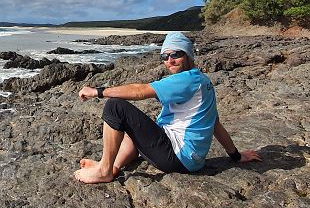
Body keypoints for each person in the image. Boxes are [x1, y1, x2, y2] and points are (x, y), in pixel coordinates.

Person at [75, 31, 261, 183]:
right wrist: (236, 156)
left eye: (176, 54)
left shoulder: (186, 80)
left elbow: (140, 91)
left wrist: (97, 92)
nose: (170, 60)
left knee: (115, 107)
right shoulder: (203, 82)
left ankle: (104, 171)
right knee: (138, 126)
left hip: (177, 157)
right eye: (165, 56)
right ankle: (112, 166)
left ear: (188, 55)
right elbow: (215, 125)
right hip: (190, 160)